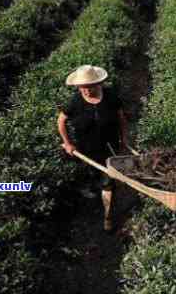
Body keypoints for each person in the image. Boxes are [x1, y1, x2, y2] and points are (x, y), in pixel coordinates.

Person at [57, 65, 128, 232]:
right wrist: (67, 143)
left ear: (99, 84)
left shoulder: (110, 97)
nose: (86, 91)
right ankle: (90, 193)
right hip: (85, 150)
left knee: (108, 183)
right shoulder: (75, 102)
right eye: (82, 88)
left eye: (89, 87)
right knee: (92, 177)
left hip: (109, 148)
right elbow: (61, 121)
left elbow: (122, 119)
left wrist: (124, 140)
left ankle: (107, 218)